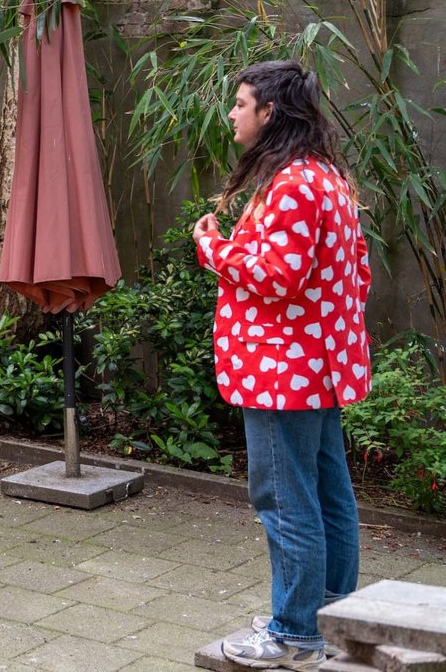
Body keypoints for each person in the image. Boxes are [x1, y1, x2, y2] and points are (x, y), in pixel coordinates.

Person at [193, 61, 371, 671]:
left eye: (241, 103)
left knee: (285, 500)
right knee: (328, 493)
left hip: (280, 371)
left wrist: (212, 247)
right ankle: (331, 618)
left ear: (269, 112)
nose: (233, 113)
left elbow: (276, 276)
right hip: (317, 365)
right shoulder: (329, 177)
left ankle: (295, 634)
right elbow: (356, 271)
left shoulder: (293, 183)